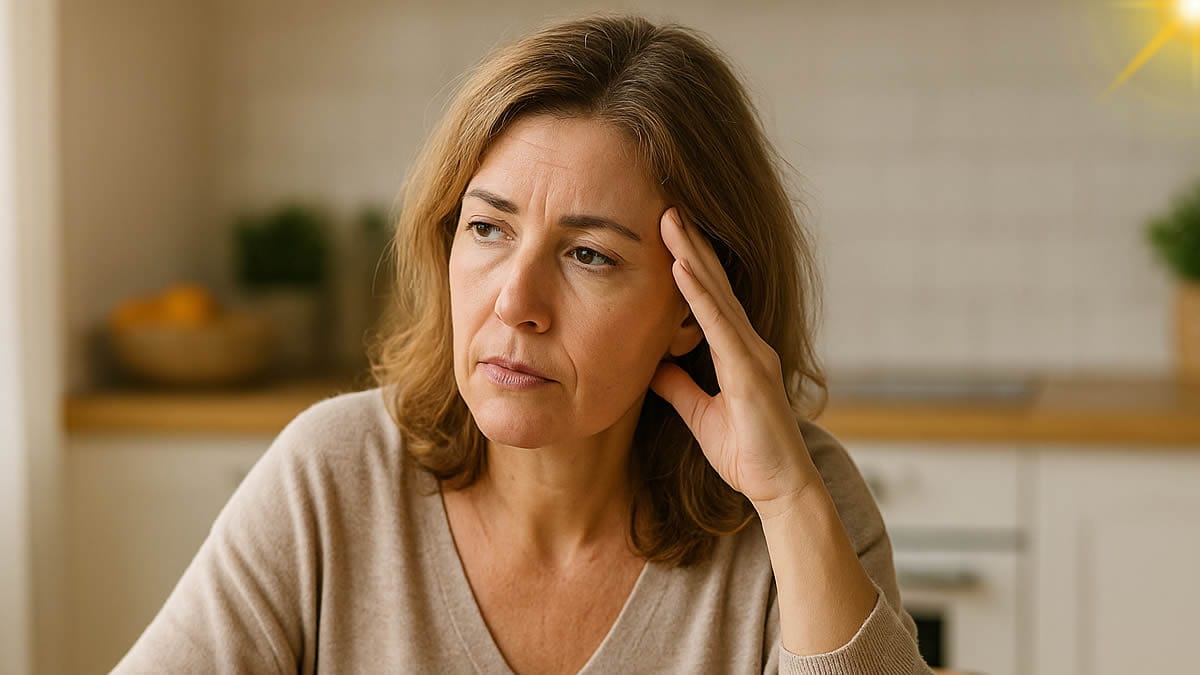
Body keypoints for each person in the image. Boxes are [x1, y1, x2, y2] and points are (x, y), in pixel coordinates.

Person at [115, 12, 931, 674]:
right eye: (487, 228)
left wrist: (786, 500)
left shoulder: (800, 499)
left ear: (692, 307)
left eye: (589, 255)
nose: (515, 301)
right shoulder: (333, 477)